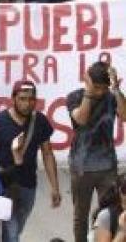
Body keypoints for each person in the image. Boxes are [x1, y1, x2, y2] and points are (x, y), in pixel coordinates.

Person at [0, 80, 62, 242]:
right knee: (12, 233)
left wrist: (55, 187)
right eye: (22, 99)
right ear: (13, 99)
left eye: (31, 99)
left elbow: (47, 154)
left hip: (28, 185)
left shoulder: (40, 122)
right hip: (3, 186)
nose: (27, 104)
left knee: (16, 228)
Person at [67, 61, 126, 242]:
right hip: (81, 167)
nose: (101, 92)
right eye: (98, 87)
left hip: (107, 166)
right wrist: (89, 92)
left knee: (111, 211)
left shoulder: (111, 96)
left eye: (104, 88)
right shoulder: (75, 97)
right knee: (80, 215)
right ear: (89, 81)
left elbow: (124, 115)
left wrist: (116, 89)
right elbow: (82, 119)